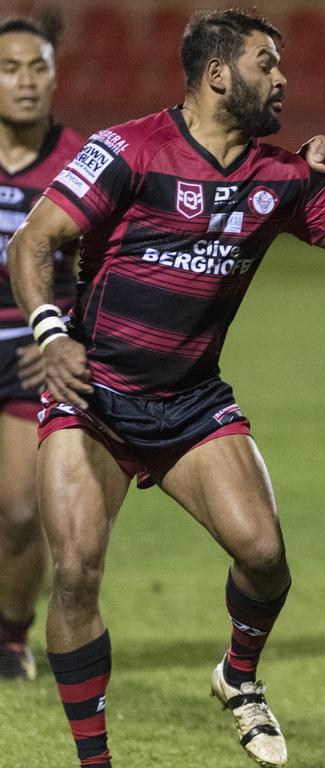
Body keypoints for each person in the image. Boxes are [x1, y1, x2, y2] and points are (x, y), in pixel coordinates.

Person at [6, 9, 325, 768]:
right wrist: (52, 335)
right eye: (266, 63)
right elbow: (34, 242)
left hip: (190, 403)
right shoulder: (127, 150)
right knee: (79, 573)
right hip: (94, 398)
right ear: (218, 74)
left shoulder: (279, 176)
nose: (282, 77)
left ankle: (238, 677)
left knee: (264, 557)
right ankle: (96, 761)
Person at [0, 12, 81, 682]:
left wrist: (62, 331)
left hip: (29, 350)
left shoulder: (82, 163)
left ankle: (10, 638)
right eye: (9, 68)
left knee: (22, 512)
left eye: (37, 68)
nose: (25, 82)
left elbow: (104, 269)